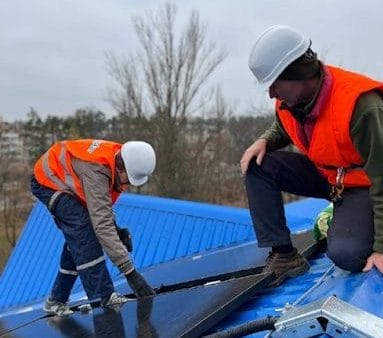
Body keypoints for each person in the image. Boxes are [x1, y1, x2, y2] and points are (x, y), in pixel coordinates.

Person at [240, 25, 383, 286]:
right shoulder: (290, 100)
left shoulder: (361, 106)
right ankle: (284, 257)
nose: (271, 94)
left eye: (275, 84)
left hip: (365, 186)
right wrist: (265, 140)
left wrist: (381, 248)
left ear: (299, 74)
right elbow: (285, 125)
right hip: (329, 176)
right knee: (258, 165)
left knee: (348, 255)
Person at [31, 139, 157, 315]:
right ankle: (104, 297)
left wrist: (116, 229)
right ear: (121, 168)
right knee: (83, 231)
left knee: (78, 238)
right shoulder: (97, 171)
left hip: (65, 180)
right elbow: (101, 223)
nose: (126, 185)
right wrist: (130, 273)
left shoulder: (119, 157)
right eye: (128, 180)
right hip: (48, 181)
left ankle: (56, 300)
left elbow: (100, 208)